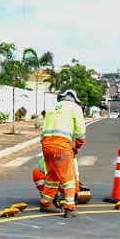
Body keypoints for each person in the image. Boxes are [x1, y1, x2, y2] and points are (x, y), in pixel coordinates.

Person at [39, 89, 86, 217]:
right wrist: (77, 147)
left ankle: (46, 202)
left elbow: (43, 131)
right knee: (68, 177)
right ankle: (69, 207)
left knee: (52, 175)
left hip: (46, 145)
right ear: (74, 99)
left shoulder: (52, 108)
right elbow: (81, 132)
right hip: (61, 146)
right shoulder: (75, 108)